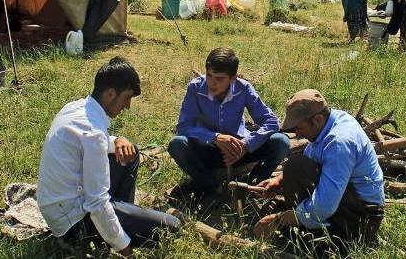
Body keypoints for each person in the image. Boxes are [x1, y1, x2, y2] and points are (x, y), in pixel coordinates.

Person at [36, 57, 181, 258]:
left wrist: (118, 139)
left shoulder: (75, 107)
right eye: (127, 98)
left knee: (130, 153)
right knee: (171, 227)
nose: (128, 106)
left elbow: (87, 140)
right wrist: (125, 247)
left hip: (56, 209)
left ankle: (122, 214)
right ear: (111, 93)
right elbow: (96, 203)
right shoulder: (93, 132)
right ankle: (115, 229)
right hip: (73, 222)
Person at [253, 89, 385, 253]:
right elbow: (312, 156)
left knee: (295, 165)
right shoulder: (330, 121)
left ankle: (333, 238)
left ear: (317, 119)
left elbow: (324, 207)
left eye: (299, 128)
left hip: (362, 218)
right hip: (349, 202)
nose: (297, 134)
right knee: (294, 166)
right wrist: (279, 180)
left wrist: (280, 220)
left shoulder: (339, 142)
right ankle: (308, 226)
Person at [168, 47, 290, 203]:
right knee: (176, 144)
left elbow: (271, 121)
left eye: (219, 78)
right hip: (207, 150)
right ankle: (212, 185)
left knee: (281, 142)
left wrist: (246, 145)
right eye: (209, 75)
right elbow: (183, 127)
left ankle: (252, 186)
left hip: (237, 151)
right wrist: (215, 137)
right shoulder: (195, 87)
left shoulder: (243, 88)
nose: (212, 82)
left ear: (233, 78)